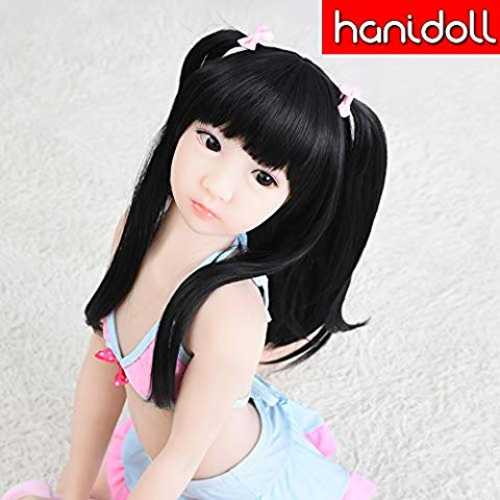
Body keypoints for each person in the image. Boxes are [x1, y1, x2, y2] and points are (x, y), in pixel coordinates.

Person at [3, 23, 387, 500]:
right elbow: (103, 361)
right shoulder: (136, 229)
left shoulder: (231, 313)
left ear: (291, 203)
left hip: (228, 487)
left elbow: (181, 461)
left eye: (263, 178)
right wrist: (71, 490)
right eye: (210, 142)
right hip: (160, 459)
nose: (217, 186)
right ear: (181, 125)